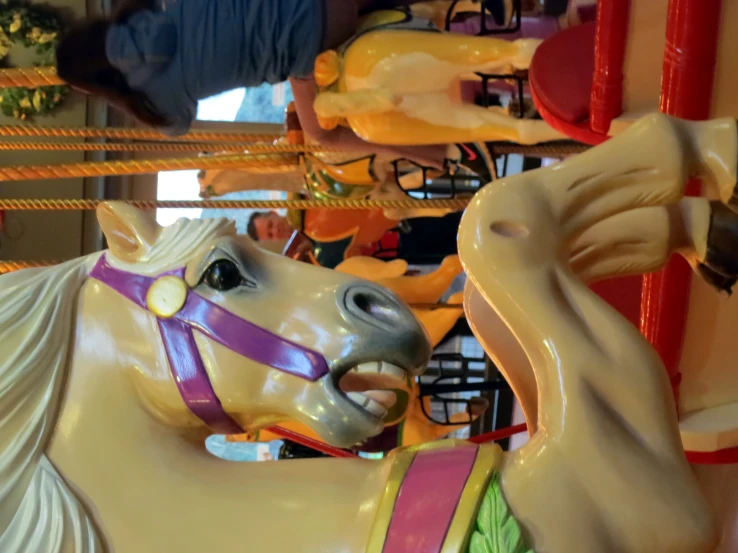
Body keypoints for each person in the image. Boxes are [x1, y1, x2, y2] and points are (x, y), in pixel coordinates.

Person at [55, 0, 430, 136]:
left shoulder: (152, 102)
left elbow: (179, 125)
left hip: (310, 43)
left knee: (320, 134)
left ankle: (431, 148)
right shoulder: (145, 9)